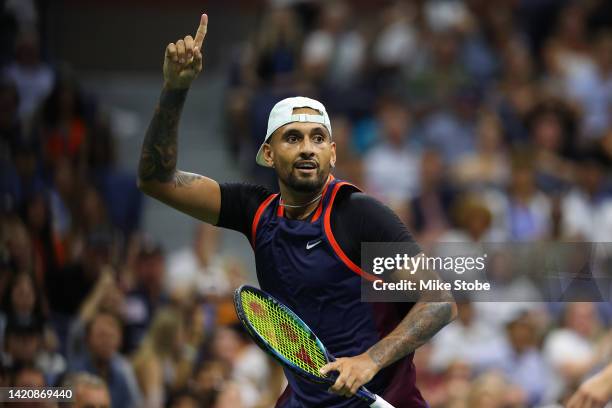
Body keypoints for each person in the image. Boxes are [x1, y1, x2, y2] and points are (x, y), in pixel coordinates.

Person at [137, 14, 456, 407]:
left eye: (318, 138)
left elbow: (439, 301)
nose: (307, 147)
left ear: (332, 154)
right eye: (293, 137)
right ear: (269, 154)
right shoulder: (254, 211)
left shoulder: (359, 215)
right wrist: (175, 88)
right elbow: (156, 180)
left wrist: (369, 361)